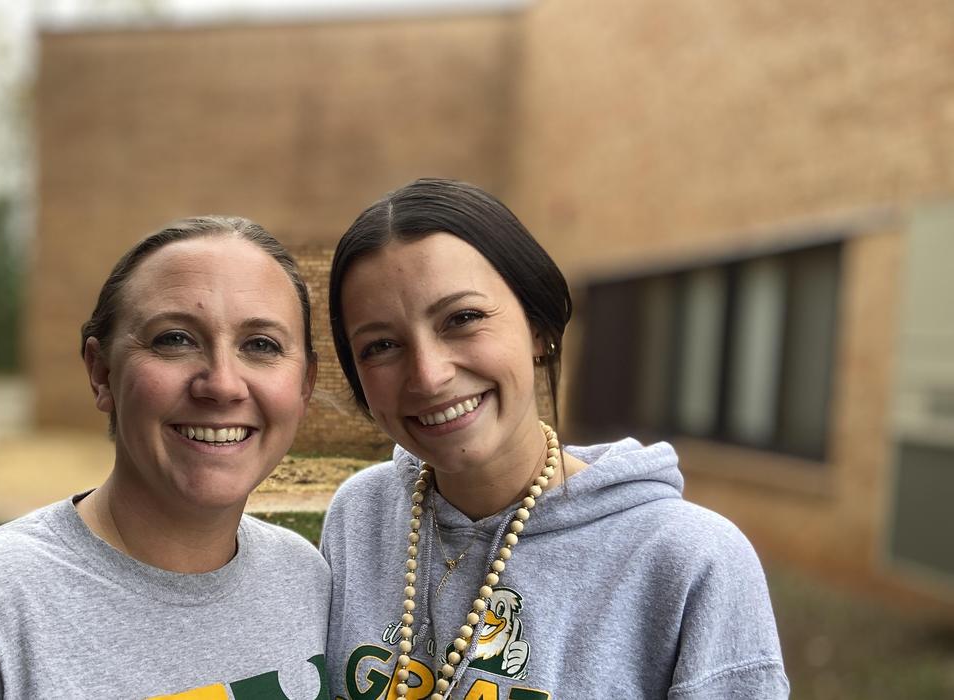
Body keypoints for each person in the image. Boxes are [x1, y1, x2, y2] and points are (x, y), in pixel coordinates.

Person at [320, 179, 789, 699]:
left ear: (538, 328)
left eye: (463, 319)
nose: (428, 376)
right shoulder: (361, 515)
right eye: (382, 345)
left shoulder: (690, 560)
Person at [0, 216, 332, 699]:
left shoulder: (304, 580)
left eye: (261, 345)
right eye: (175, 339)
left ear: (304, 385)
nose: (222, 384)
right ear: (101, 373)